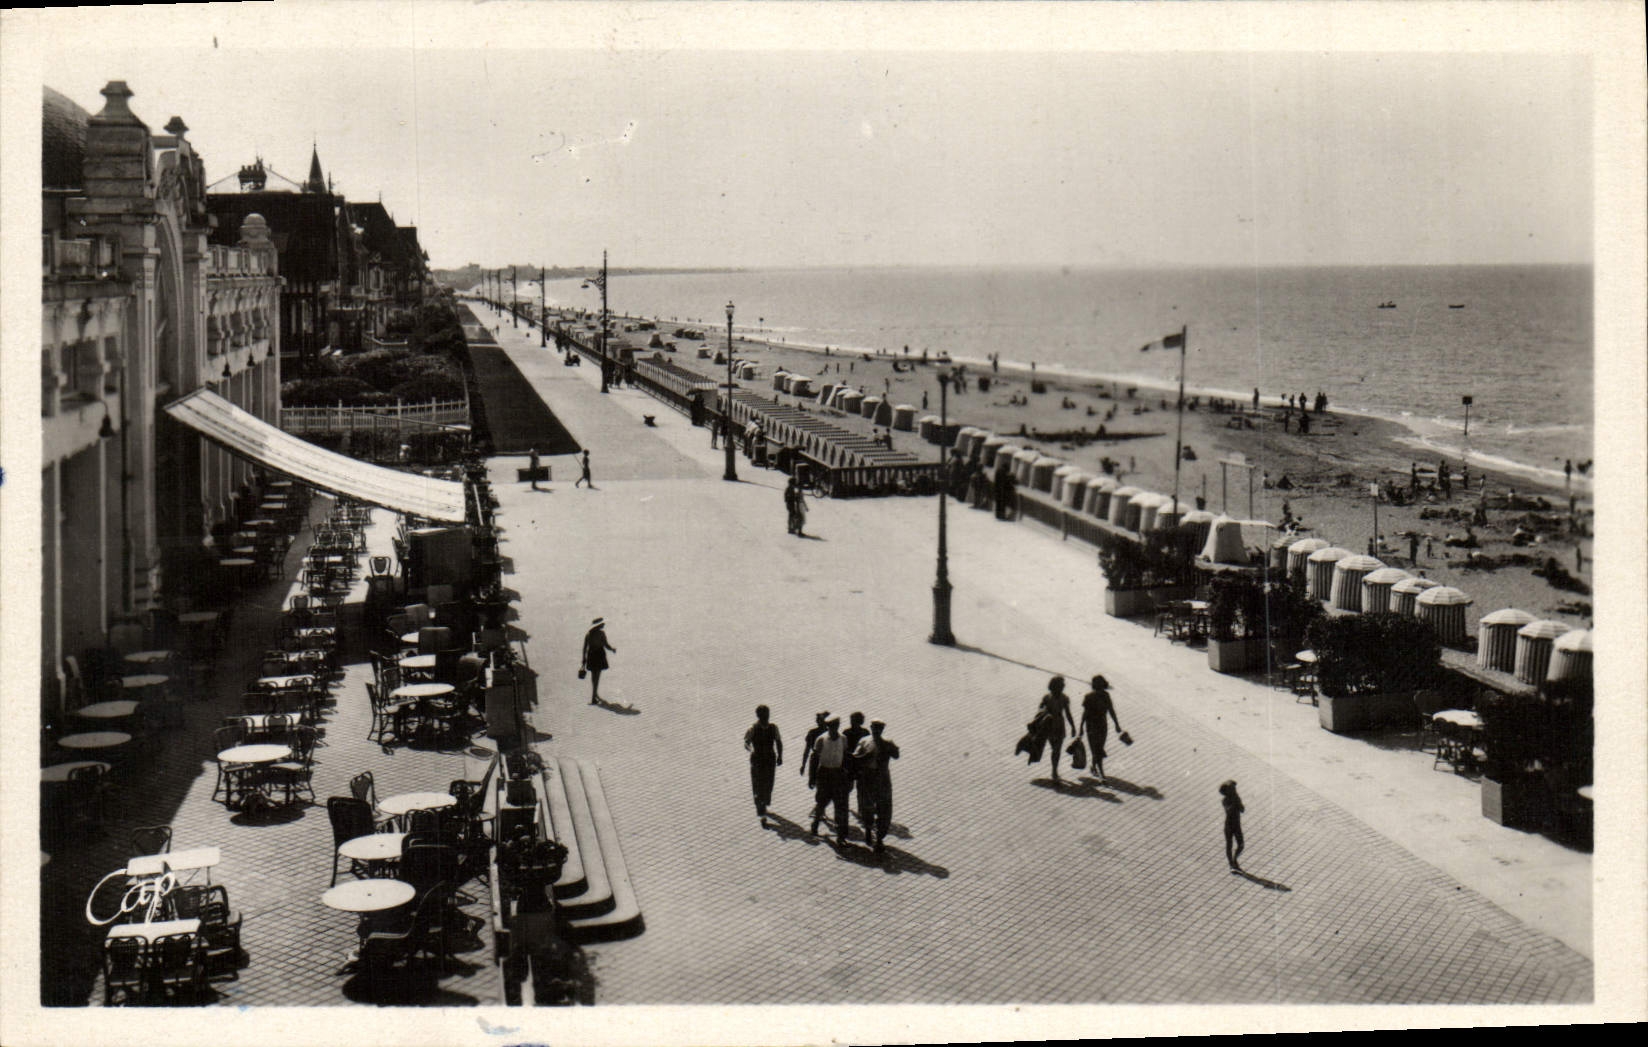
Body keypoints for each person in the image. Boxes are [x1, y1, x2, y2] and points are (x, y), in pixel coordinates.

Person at [855, 721, 900, 853]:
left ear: (882, 730)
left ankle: (879, 838)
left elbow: (896, 756)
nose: (876, 731)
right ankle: (868, 830)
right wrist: (865, 756)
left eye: (879, 729)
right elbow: (856, 757)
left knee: (884, 809)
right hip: (867, 777)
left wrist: (892, 749)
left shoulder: (887, 742)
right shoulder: (865, 741)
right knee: (867, 806)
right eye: (874, 729)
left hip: (882, 779)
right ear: (871, 729)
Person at [808, 718, 850, 845]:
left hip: (838, 774)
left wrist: (847, 774)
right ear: (828, 727)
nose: (834, 729)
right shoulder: (821, 739)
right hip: (824, 773)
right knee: (822, 802)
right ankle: (815, 823)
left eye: (836, 726)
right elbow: (814, 759)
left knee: (840, 806)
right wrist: (812, 777)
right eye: (831, 726)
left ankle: (841, 836)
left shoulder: (843, 739)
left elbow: (846, 756)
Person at [1077, 675, 1123, 785]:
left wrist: (1117, 724)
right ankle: (1102, 773)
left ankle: (1094, 766)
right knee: (1097, 749)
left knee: (1099, 748)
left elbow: (1111, 710)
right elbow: (1085, 713)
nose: (1099, 687)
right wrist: (1081, 728)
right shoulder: (1089, 697)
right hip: (1091, 726)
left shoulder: (1106, 696)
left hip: (1102, 726)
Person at [1033, 676, 1078, 783]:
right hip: (1048, 725)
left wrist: (1072, 726)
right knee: (1054, 748)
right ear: (1054, 686)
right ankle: (1054, 770)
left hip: (1059, 725)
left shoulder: (1064, 698)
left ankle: (1054, 770)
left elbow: (1067, 713)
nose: (1063, 687)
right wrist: (1044, 711)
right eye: (1061, 685)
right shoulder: (1047, 697)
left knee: (1056, 750)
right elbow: (1040, 709)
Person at [744, 705, 783, 824]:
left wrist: (780, 756)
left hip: (770, 759)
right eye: (763, 715)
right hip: (757, 759)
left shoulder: (773, 727)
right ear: (758, 716)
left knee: (769, 782)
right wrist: (751, 749)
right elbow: (746, 742)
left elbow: (778, 741)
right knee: (758, 783)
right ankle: (760, 807)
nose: (766, 717)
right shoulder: (753, 728)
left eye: (767, 714)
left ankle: (764, 802)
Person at [842, 712, 871, 832]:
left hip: (859, 765)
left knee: (861, 789)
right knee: (848, 787)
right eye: (852, 720)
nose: (852, 722)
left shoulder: (865, 733)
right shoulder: (846, 733)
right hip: (851, 765)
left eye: (854, 720)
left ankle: (860, 810)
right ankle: (847, 808)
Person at [580, 617, 616, 704]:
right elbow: (606, 645)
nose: (604, 625)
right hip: (599, 655)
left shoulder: (588, 634)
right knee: (597, 676)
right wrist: (612, 649)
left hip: (591, 656)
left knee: (593, 676)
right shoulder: (601, 634)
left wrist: (583, 659)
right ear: (599, 625)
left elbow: (585, 648)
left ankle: (595, 694)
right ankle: (593, 697)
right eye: (602, 624)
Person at [1220, 780, 1246, 871]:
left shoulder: (1236, 798)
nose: (1235, 790)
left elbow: (1242, 809)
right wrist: (1235, 802)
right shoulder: (1225, 801)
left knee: (1241, 844)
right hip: (1229, 826)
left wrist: (1238, 802)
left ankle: (1235, 860)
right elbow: (1229, 811)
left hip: (1237, 825)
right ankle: (1231, 863)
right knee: (1229, 844)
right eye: (1232, 789)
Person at [800, 711, 830, 782]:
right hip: (823, 760)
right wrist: (803, 765)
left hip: (818, 759)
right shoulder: (830, 733)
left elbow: (807, 750)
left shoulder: (812, 732)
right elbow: (807, 750)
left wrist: (803, 765)